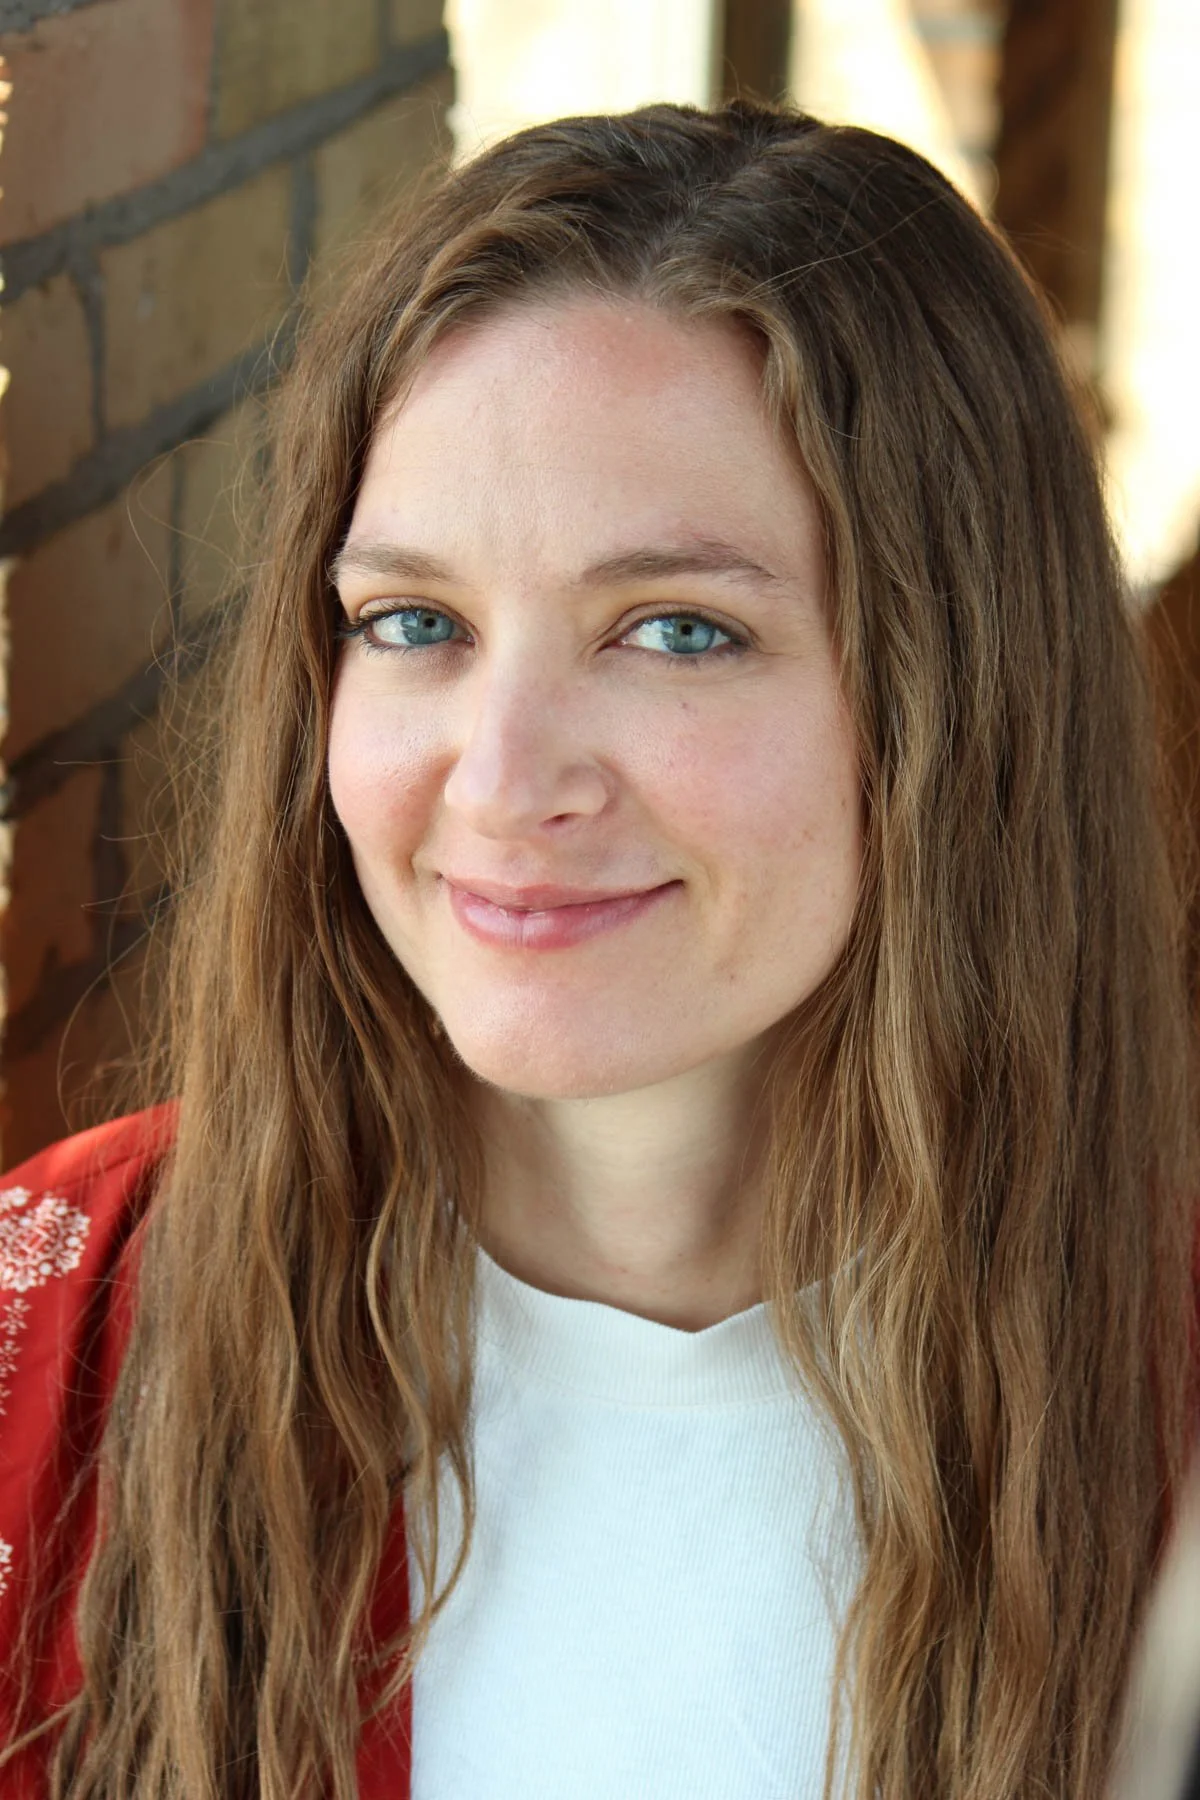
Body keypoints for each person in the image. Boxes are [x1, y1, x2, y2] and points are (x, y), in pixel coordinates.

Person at [0, 97, 1195, 1800]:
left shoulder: (1169, 1420)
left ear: (960, 698)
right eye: (416, 622)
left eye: (677, 630)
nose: (500, 782)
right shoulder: (43, 1341)